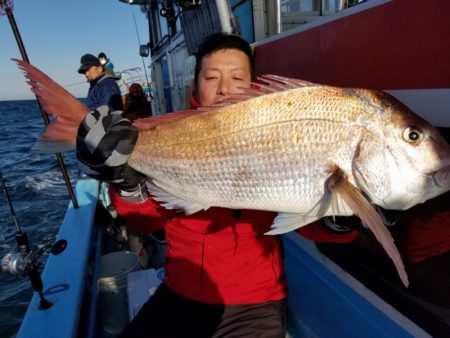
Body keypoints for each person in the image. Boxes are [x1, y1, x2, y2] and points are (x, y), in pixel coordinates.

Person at [76, 33, 357, 338]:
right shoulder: (170, 133)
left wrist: (343, 217)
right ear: (196, 86)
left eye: (237, 77)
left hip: (256, 303)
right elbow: (149, 219)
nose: (224, 88)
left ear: (253, 87)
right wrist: (126, 184)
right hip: (178, 291)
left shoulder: (273, 134)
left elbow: (307, 219)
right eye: (212, 77)